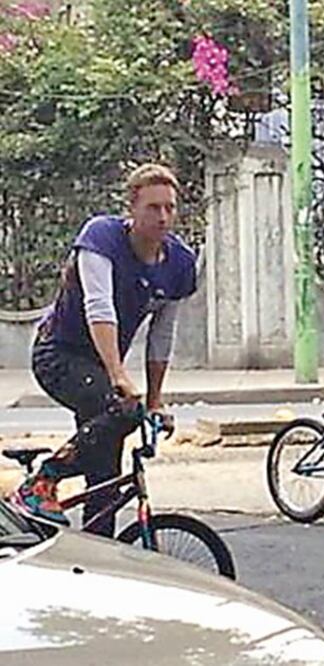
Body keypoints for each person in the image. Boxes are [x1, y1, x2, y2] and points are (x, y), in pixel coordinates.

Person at [12, 164, 196, 537]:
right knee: (123, 411)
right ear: (131, 208)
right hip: (59, 355)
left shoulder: (179, 263)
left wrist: (157, 400)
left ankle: (98, 559)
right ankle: (41, 482)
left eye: (170, 208)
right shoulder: (101, 238)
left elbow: (163, 334)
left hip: (101, 364)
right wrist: (118, 376)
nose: (163, 217)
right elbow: (100, 308)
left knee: (105, 478)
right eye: (152, 208)